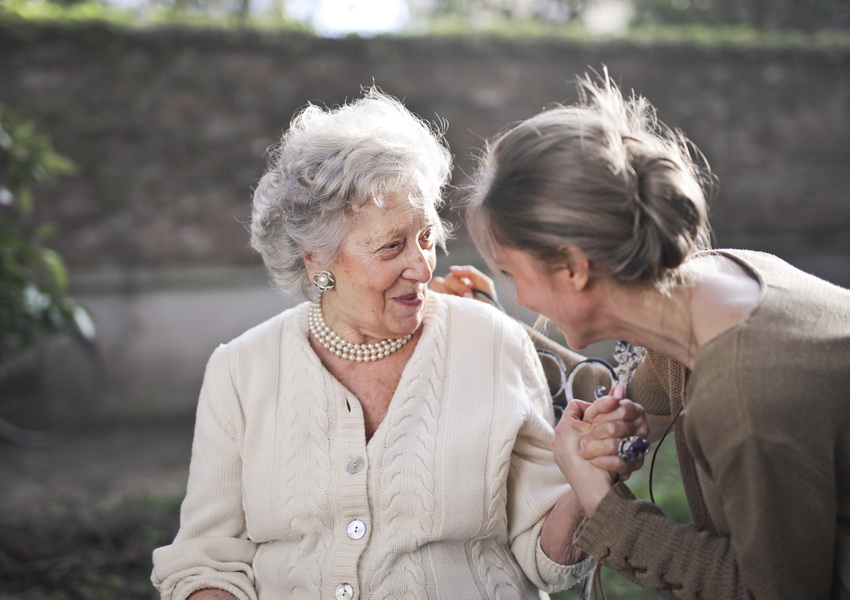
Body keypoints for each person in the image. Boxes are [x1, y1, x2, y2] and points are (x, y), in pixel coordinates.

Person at [150, 87, 648, 600]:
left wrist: (586, 479)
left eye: (427, 237)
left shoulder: (490, 342)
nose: (422, 265)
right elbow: (206, 561)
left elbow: (548, 563)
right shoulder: (241, 369)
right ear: (315, 258)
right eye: (392, 246)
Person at [457, 70, 850, 599]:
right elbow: (619, 392)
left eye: (510, 273)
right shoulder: (721, 282)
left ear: (573, 268)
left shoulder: (745, 401)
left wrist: (603, 505)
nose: (520, 296)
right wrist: (487, 322)